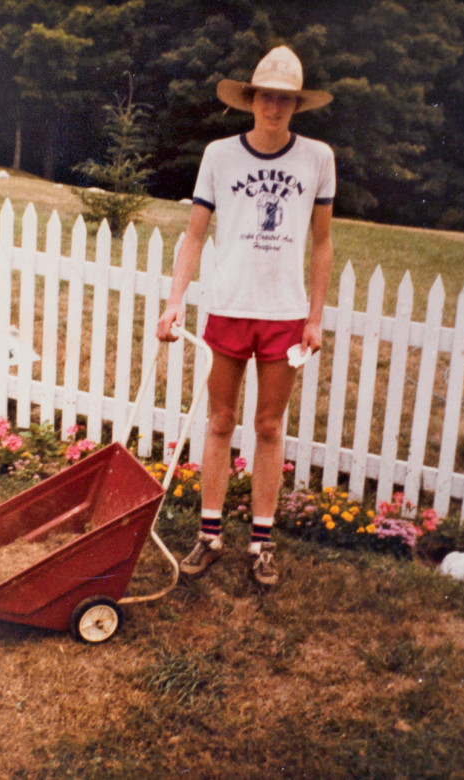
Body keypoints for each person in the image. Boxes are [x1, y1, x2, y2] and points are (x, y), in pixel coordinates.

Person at [156, 45, 335, 585]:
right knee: (218, 421)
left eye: (284, 99)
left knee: (268, 426)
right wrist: (174, 301)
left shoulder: (317, 158)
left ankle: (262, 542)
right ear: (250, 99)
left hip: (283, 315)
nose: (273, 107)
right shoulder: (219, 155)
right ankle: (208, 536)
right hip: (228, 308)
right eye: (265, 97)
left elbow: (323, 244)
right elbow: (194, 234)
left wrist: (314, 316)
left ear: (295, 105)